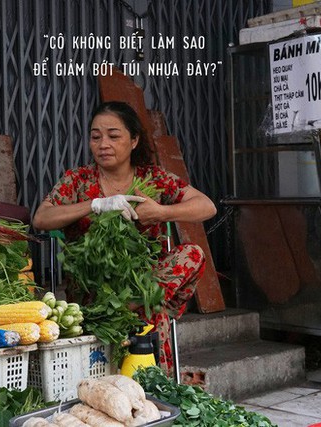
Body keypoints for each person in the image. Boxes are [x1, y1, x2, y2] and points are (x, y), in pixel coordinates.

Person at [32, 101, 217, 376]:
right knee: (157, 313)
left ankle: (130, 308)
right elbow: (41, 218)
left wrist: (161, 211)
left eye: (113, 136)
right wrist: (94, 205)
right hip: (94, 292)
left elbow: (207, 206)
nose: (103, 143)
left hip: (144, 283)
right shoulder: (79, 180)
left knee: (192, 254)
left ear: (133, 141)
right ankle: (161, 390)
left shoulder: (152, 179)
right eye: (96, 137)